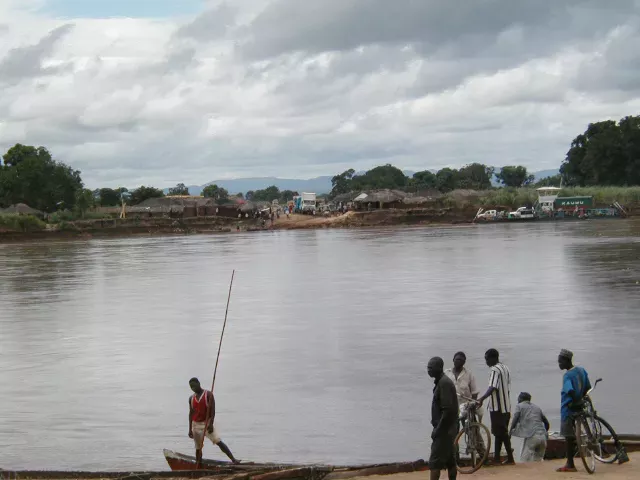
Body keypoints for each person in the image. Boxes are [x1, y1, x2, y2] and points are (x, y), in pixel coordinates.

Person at [188, 377, 239, 467]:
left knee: (218, 441)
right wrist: (189, 429)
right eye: (191, 387)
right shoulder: (191, 398)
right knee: (198, 448)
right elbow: (191, 414)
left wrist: (211, 424)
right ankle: (198, 465)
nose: (193, 388)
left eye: (194, 385)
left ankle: (233, 460)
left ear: (199, 383)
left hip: (206, 424)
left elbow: (212, 411)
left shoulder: (208, 395)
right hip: (196, 425)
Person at [477, 348, 515, 465]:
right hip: (506, 406)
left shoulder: (494, 370)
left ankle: (510, 458)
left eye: (487, 359)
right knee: (499, 433)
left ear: (493, 358)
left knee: (501, 433)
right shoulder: (505, 368)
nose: (486, 362)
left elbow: (493, 387)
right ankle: (497, 458)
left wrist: (481, 399)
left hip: (497, 407)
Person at [556, 349, 591, 473]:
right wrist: (581, 399)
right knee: (577, 432)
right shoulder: (581, 371)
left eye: (560, 361)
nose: (558, 363)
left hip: (568, 409)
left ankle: (570, 464)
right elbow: (588, 387)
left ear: (566, 361)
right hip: (580, 407)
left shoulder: (567, 376)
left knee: (568, 436)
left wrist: (575, 399)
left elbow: (569, 390)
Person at [427, 357, 459, 480]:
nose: (428, 370)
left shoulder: (444, 383)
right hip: (449, 429)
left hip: (444, 430)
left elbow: (447, 411)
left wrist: (437, 430)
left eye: (431, 367)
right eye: (428, 367)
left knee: (434, 462)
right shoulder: (441, 382)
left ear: (439, 368)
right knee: (450, 460)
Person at [509, 392, 550, 462]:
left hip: (532, 437)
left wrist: (510, 432)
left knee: (524, 461)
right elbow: (547, 423)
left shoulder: (519, 406)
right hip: (543, 438)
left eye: (518, 398)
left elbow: (515, 418)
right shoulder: (537, 407)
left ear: (521, 399)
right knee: (538, 461)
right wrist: (544, 432)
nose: (517, 400)